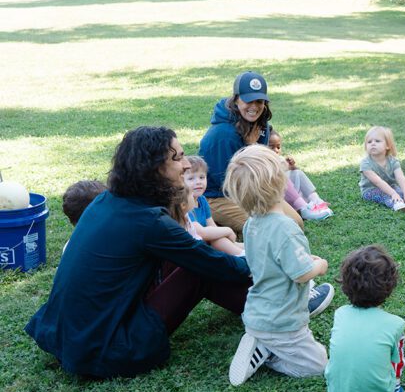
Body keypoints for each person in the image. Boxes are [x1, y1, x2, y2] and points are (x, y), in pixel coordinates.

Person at [25, 126, 252, 378]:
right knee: (198, 268)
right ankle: (268, 308)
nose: (187, 164)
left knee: (189, 258)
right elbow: (211, 263)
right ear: (154, 168)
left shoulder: (106, 200)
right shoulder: (148, 221)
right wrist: (266, 270)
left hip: (66, 337)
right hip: (107, 349)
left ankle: (262, 300)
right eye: (176, 158)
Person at [225, 146, 330, 386]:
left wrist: (304, 257)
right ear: (280, 184)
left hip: (257, 312)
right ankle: (269, 354)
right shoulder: (284, 227)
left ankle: (260, 340)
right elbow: (302, 274)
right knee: (319, 364)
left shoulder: (252, 223)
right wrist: (320, 265)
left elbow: (270, 258)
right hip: (282, 322)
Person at [198, 71, 305, 236]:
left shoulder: (260, 123)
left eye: (259, 101)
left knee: (296, 225)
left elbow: (267, 168)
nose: (254, 107)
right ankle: (224, 224)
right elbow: (231, 183)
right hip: (219, 196)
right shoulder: (222, 135)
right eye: (248, 100)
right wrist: (250, 146)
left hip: (254, 189)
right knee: (273, 231)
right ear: (236, 99)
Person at [326, 246, 405, 392]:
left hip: (336, 390)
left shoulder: (340, 313)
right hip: (377, 390)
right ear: (389, 286)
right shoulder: (395, 323)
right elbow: (398, 363)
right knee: (395, 357)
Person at [360, 126, 405, 212]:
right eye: (369, 142)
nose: (372, 144)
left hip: (390, 186)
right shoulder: (366, 164)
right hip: (370, 190)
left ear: (388, 146)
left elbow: (400, 177)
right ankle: (398, 205)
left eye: (377, 141)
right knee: (385, 195)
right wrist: (393, 193)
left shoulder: (393, 161)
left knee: (400, 192)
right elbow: (378, 182)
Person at [268, 127, 334, 219]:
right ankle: (303, 209)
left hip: (291, 194)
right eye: (271, 147)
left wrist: (291, 167)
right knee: (283, 177)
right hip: (279, 197)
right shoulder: (265, 163)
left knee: (297, 173)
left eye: (278, 147)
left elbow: (291, 174)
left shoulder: (279, 159)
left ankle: (316, 200)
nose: (276, 150)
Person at [184, 155, 245, 256]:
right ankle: (242, 256)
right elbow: (200, 232)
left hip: (205, 242)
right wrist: (228, 230)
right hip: (193, 247)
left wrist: (223, 235)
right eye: (191, 178)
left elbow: (211, 225)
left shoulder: (202, 200)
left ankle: (247, 250)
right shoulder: (184, 204)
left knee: (219, 237)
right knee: (216, 239)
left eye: (202, 177)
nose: (198, 182)